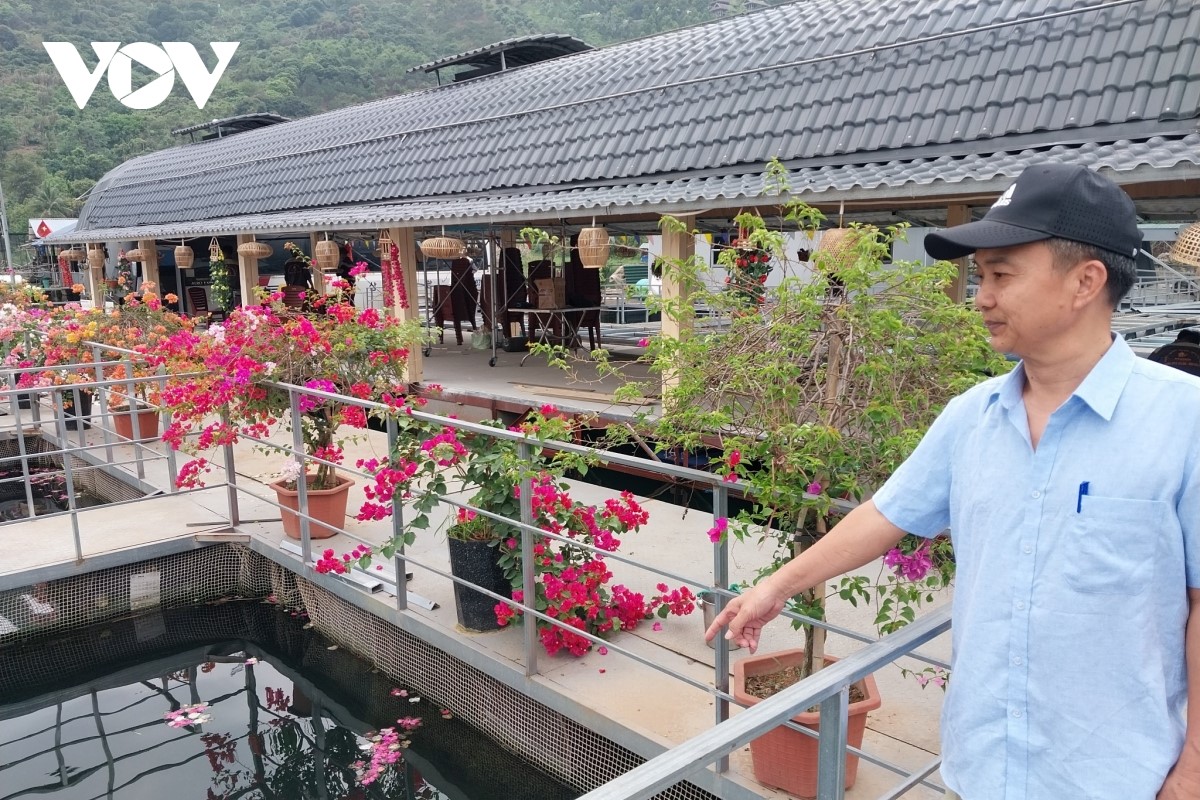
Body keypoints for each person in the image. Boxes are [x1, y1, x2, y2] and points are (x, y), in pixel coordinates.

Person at [706, 163, 1200, 800]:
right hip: (981, 769)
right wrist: (776, 586)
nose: (981, 297)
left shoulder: (1183, 421)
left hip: (1116, 778)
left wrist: (1194, 769)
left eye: (1001, 275)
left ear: (1085, 281)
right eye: (980, 276)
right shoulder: (972, 416)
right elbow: (886, 514)